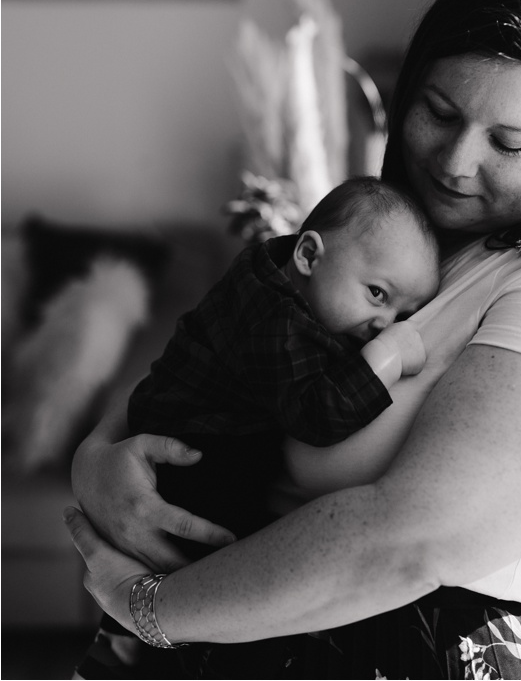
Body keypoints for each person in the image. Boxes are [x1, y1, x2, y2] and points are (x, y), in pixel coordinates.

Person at [64, 0, 521, 679]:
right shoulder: (392, 236)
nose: (454, 163)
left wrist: (150, 610)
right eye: (438, 113)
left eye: (508, 144)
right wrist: (97, 459)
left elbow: (408, 542)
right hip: (250, 626)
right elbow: (213, 353)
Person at [128, 176, 439, 555]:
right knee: (237, 554)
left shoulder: (275, 274)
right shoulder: (277, 321)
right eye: (377, 294)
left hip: (187, 440)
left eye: (404, 314)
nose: (385, 325)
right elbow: (315, 415)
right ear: (308, 255)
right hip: (188, 459)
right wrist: (384, 358)